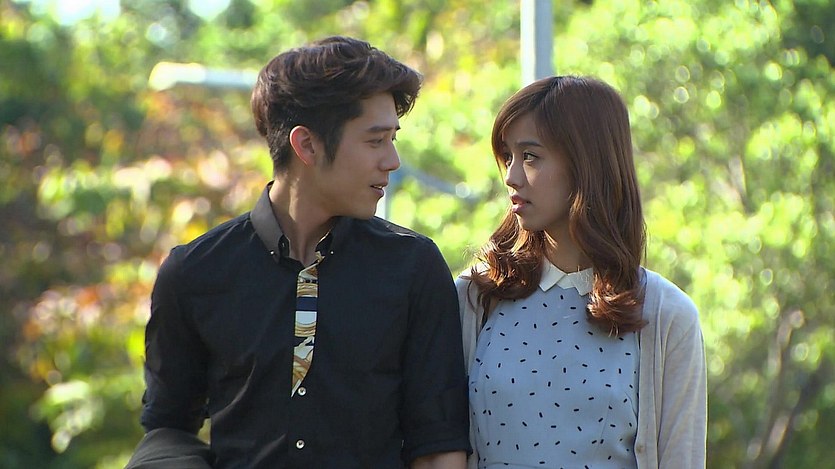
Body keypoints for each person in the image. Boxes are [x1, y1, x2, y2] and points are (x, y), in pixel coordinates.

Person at [127, 36, 469, 469]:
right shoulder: (193, 273)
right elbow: (168, 428)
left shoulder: (413, 268)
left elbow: (438, 443)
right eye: (375, 141)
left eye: (392, 139)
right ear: (306, 145)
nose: (392, 160)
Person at [456, 76, 706, 469]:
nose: (511, 176)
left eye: (530, 156)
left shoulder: (667, 315)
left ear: (586, 163)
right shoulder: (475, 297)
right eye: (507, 156)